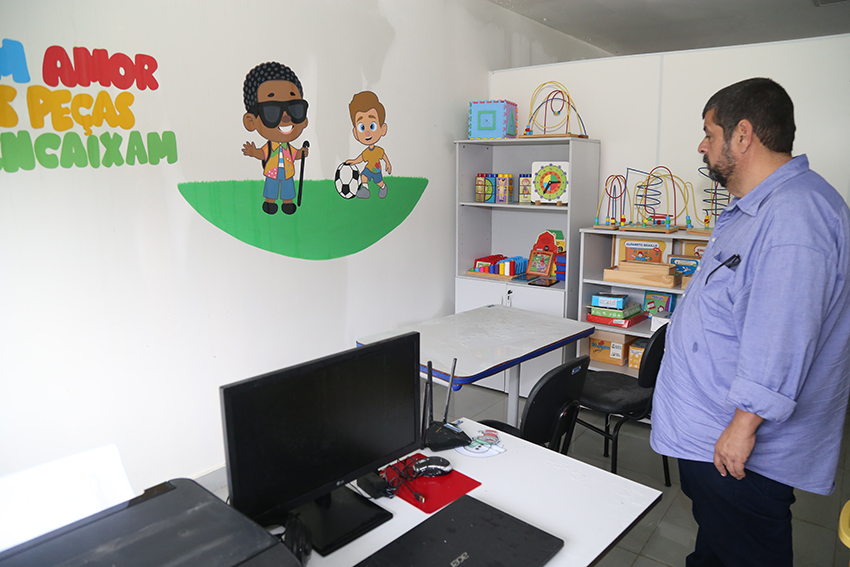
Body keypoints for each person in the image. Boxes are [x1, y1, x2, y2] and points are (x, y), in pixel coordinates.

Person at [650, 77, 850, 567]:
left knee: (746, 553)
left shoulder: (795, 217)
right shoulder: (761, 208)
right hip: (713, 433)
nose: (702, 146)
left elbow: (783, 337)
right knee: (719, 548)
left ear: (742, 135)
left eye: (709, 133)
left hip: (739, 449)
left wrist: (742, 428)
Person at [241, 62, 309, 215]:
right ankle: (270, 203)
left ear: (304, 119)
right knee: (271, 187)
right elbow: (263, 154)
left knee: (288, 187)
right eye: (271, 112)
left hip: (287, 172)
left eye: (295, 109)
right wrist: (253, 152)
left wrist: (302, 153)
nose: (286, 117)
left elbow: (295, 154)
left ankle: (287, 203)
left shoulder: (288, 147)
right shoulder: (270, 147)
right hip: (272, 171)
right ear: (251, 121)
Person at [345, 91, 392, 199]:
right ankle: (365, 190)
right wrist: (354, 161)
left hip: (376, 170)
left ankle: (383, 187)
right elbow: (361, 158)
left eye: (372, 126)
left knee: (379, 182)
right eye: (362, 127)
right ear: (356, 133)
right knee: (363, 176)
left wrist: (388, 163)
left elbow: (383, 156)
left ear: (383, 129)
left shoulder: (378, 150)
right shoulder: (367, 151)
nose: (367, 132)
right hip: (368, 169)